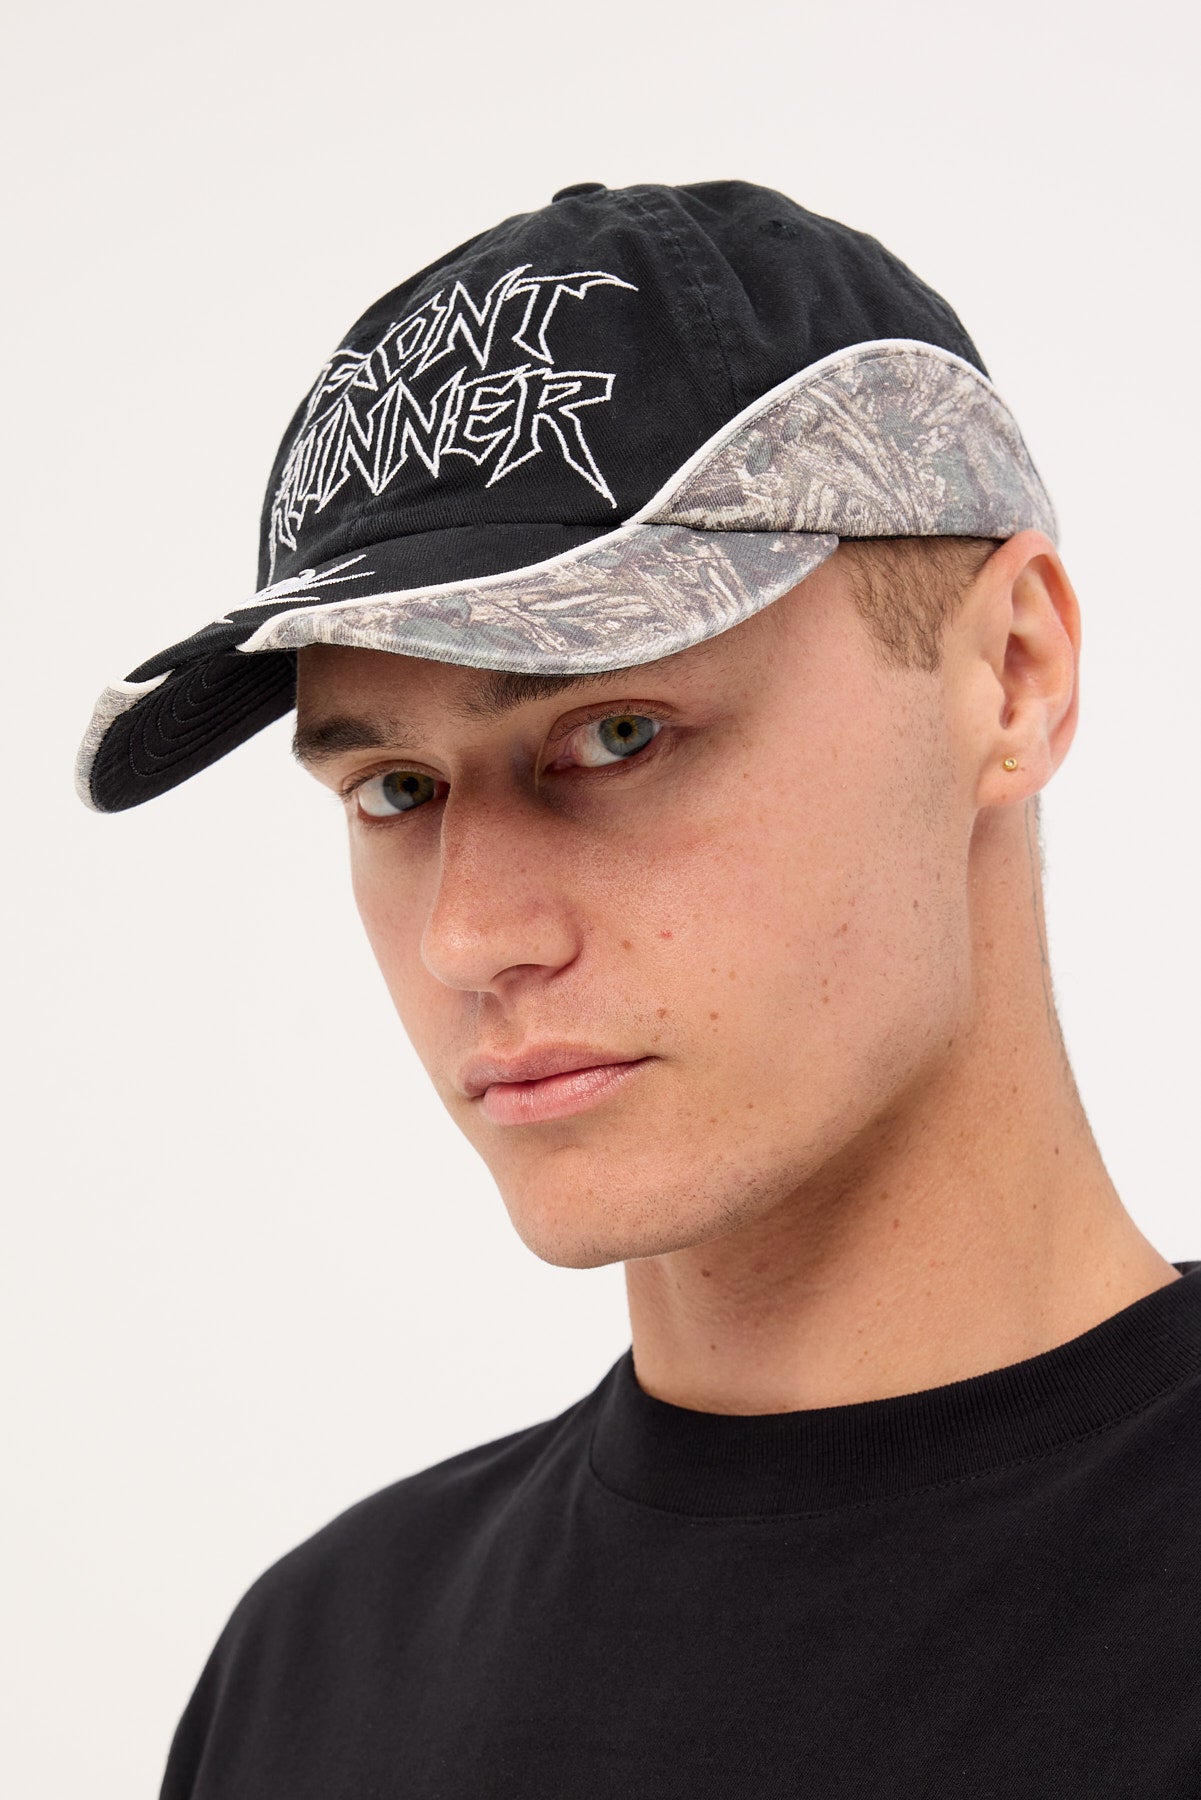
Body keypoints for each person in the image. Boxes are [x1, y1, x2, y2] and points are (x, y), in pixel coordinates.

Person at [76, 180, 1199, 1798]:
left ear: (1011, 675)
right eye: (393, 789)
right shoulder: (319, 1669)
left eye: (614, 735)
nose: (470, 935)